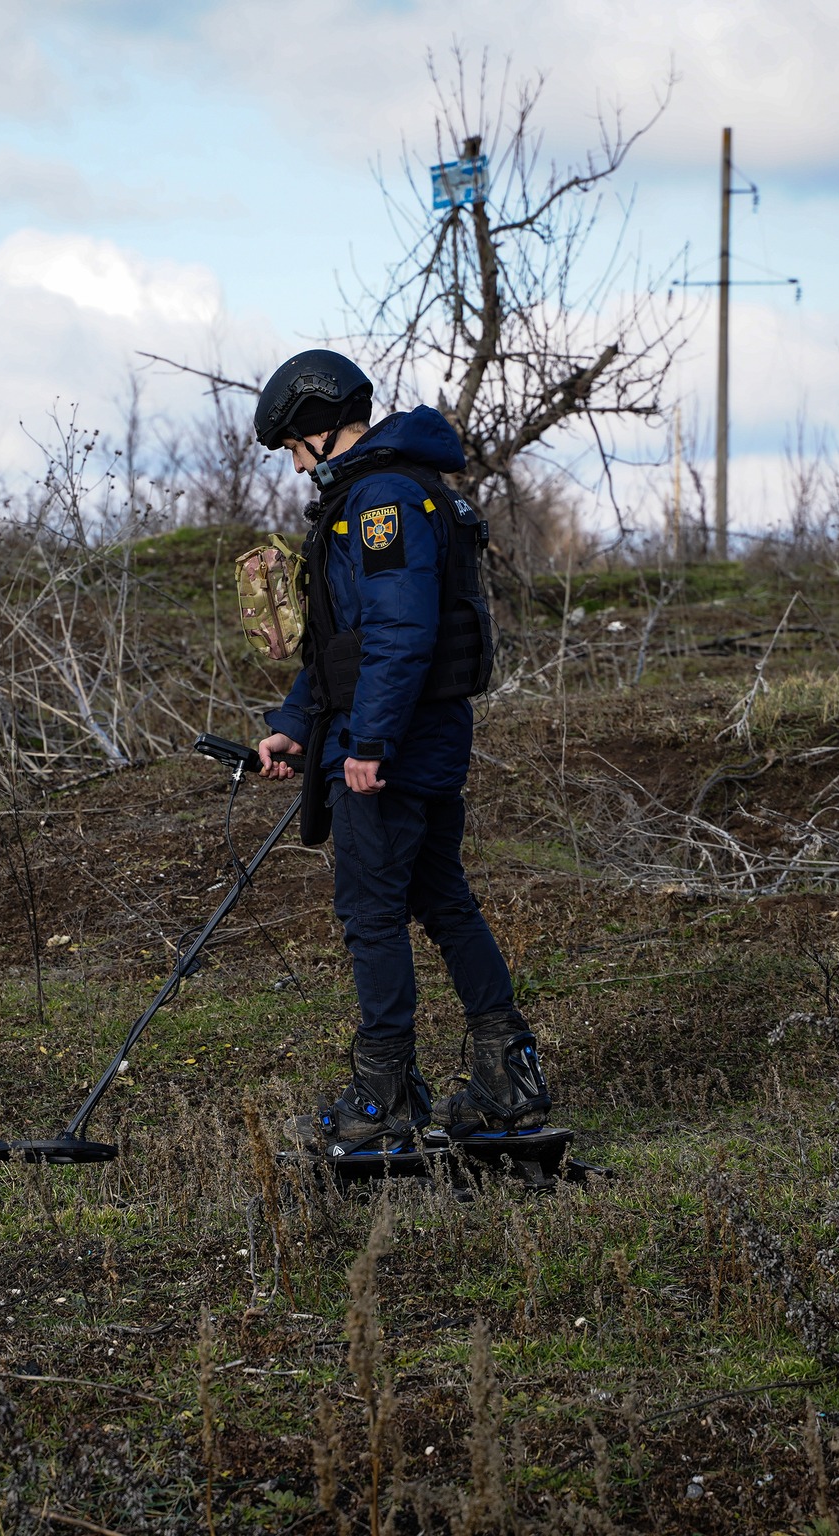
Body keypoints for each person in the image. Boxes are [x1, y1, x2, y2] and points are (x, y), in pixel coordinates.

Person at [251, 349, 550, 1160]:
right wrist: (295, 724)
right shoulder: (375, 493)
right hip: (405, 735)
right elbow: (342, 645)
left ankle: (383, 1100)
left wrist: (371, 741)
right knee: (442, 901)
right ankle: (508, 1082)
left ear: (319, 429)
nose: (293, 463)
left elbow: (401, 631)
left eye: (292, 447)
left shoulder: (381, 499)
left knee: (371, 913)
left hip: (394, 744)